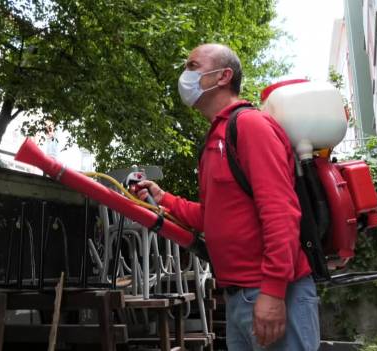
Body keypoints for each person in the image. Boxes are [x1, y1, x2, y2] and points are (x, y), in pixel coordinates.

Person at [134, 44, 320, 350]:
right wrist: (163, 198)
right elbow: (212, 218)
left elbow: (281, 213)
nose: (185, 75)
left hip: (270, 293)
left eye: (193, 66)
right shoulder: (215, 139)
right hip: (238, 297)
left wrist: (273, 293)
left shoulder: (249, 126)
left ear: (223, 76)